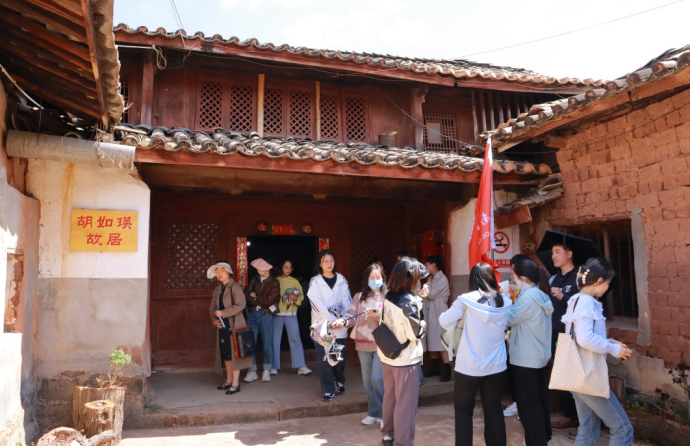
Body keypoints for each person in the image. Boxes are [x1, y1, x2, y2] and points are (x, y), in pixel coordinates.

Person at [439, 262, 512, 446]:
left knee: (464, 412)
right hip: (496, 366)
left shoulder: (465, 301)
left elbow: (444, 321)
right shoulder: (505, 301)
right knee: (494, 411)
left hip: (468, 366)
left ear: (473, 279)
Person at [563, 258, 633, 446]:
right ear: (599, 281)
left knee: (588, 431)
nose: (607, 288)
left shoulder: (576, 300)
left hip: (575, 373)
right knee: (623, 429)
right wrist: (613, 348)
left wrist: (608, 342)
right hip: (588, 375)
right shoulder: (587, 302)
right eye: (608, 283)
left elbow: (581, 336)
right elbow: (585, 339)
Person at [378, 257, 426, 446]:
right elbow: (415, 333)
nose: (418, 280)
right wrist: (423, 325)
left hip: (388, 354)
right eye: (417, 276)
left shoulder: (389, 295)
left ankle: (388, 434)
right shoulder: (409, 301)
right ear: (410, 277)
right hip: (406, 359)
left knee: (390, 397)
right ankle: (403, 442)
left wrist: (419, 299)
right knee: (406, 403)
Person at [507, 258, 554, 446]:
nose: (513, 280)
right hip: (538, 356)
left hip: (525, 357)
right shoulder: (541, 294)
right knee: (539, 400)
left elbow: (509, 319)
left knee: (528, 405)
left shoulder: (527, 298)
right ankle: (543, 437)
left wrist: (505, 300)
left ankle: (536, 441)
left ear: (524, 278)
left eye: (514, 276)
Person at [343, 263, 386, 426]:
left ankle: (384, 414)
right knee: (367, 381)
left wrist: (378, 316)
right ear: (366, 280)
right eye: (371, 277)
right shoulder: (359, 297)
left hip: (381, 343)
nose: (375, 280)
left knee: (377, 378)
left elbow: (392, 319)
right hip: (362, 343)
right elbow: (350, 314)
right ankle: (372, 412)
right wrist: (343, 320)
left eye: (377, 277)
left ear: (383, 278)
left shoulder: (387, 296)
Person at [307, 249, 352, 401]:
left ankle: (339, 378)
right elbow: (316, 304)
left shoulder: (341, 279)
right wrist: (331, 320)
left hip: (339, 325)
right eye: (325, 261)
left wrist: (343, 318)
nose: (329, 264)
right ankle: (328, 389)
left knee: (339, 356)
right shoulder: (315, 281)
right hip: (323, 326)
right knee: (325, 358)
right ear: (320, 263)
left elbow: (347, 301)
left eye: (331, 261)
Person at [207, 261, 252, 395]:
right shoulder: (218, 289)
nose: (219, 274)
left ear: (229, 272)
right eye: (217, 272)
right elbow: (212, 308)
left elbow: (241, 304)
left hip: (234, 324)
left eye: (222, 271)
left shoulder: (235, 286)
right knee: (226, 354)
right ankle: (228, 380)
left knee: (234, 355)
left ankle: (235, 384)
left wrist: (223, 313)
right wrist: (215, 320)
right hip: (222, 325)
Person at [549, 242, 580, 430]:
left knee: (573, 373)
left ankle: (573, 415)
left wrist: (564, 297)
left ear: (569, 254)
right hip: (556, 333)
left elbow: (585, 304)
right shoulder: (554, 279)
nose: (554, 256)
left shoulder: (578, 278)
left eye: (558, 252)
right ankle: (567, 413)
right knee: (562, 373)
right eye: (553, 252)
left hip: (573, 335)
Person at [500, 253, 531, 419]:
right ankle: (517, 402)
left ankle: (525, 406)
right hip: (511, 335)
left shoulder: (532, 291)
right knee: (512, 369)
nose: (512, 273)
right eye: (512, 269)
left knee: (526, 374)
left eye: (515, 270)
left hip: (526, 336)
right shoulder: (508, 285)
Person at [243, 258, 280, 383]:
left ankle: (266, 370)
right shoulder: (254, 279)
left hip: (266, 315)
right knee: (251, 343)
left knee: (267, 344)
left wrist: (256, 296)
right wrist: (259, 299)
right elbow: (246, 295)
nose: (258, 270)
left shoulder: (274, 282)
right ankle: (252, 370)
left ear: (266, 268)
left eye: (260, 268)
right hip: (253, 314)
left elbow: (270, 301)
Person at [273, 260, 312, 376]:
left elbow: (301, 296)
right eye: (285, 267)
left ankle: (300, 366)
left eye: (290, 267)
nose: (288, 269)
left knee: (295, 339)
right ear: (281, 268)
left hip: (291, 314)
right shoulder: (275, 281)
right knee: (274, 340)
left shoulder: (294, 281)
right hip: (277, 314)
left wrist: (295, 298)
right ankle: (274, 366)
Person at [421, 255, 452, 382]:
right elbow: (423, 294)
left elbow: (432, 294)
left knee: (440, 341)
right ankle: (435, 367)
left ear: (433, 265)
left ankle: (447, 369)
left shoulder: (442, 278)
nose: (426, 267)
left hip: (439, 312)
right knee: (431, 339)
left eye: (427, 264)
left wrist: (427, 287)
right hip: (429, 312)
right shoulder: (431, 278)